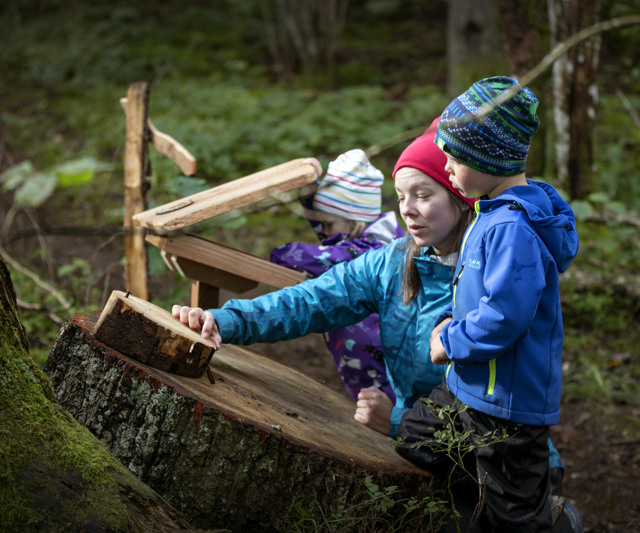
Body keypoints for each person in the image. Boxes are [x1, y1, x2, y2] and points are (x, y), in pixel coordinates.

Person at [172, 118, 474, 438]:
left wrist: (399, 422)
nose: (407, 210)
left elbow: (493, 414)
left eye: (423, 195)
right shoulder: (391, 262)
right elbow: (311, 301)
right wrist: (222, 321)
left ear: (460, 195)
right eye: (400, 197)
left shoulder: (491, 275)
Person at [396, 77, 581, 532]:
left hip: (507, 408)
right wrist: (448, 321)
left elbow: (504, 318)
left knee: (515, 519)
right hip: (467, 391)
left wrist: (451, 342)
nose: (448, 164)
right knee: (415, 438)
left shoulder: (512, 228)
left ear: (487, 158)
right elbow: (481, 296)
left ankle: (559, 523)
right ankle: (469, 510)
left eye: (455, 156)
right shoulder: (490, 213)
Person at [270, 148, 405, 403]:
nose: (325, 232)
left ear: (353, 219)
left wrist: (281, 253)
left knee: (381, 418)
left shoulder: (371, 250)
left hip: (383, 371)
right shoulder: (363, 232)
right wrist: (308, 186)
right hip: (363, 365)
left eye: (330, 225)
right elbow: (328, 223)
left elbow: (319, 256)